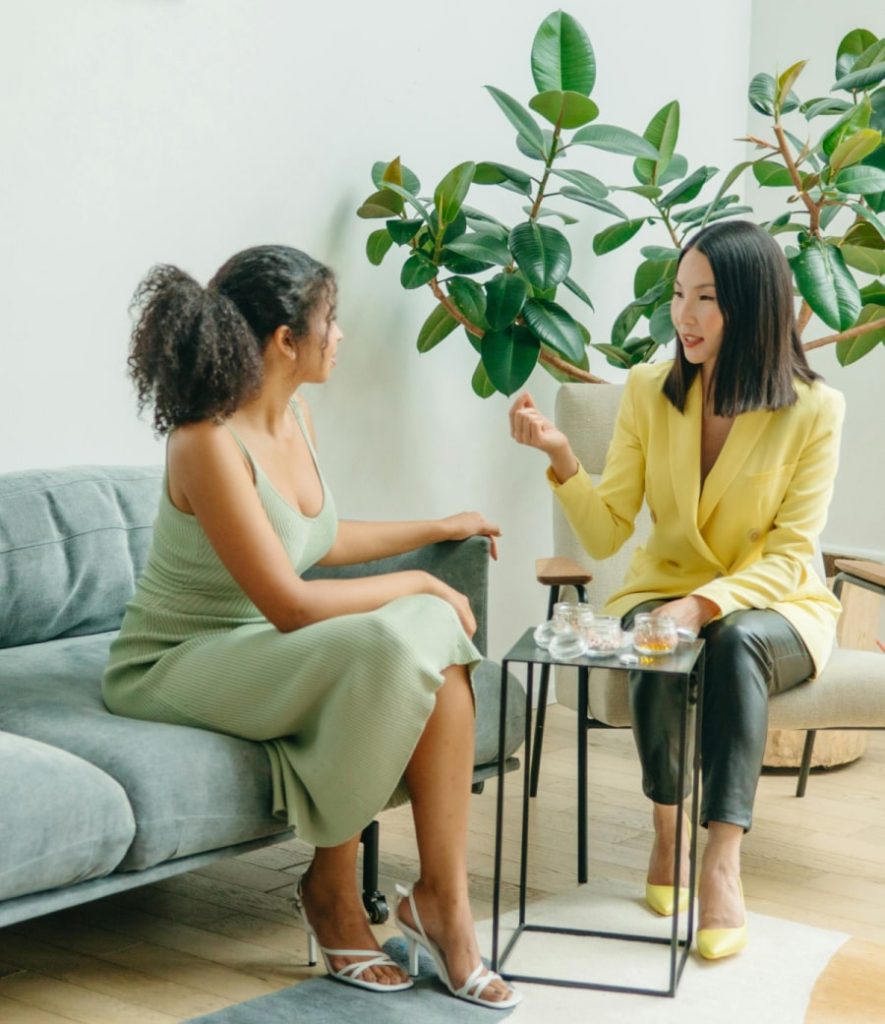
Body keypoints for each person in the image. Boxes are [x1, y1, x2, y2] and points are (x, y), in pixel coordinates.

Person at [103, 245, 519, 1008]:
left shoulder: (295, 419)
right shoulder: (204, 442)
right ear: (285, 341)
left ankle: (442, 905)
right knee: (403, 632)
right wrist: (423, 579)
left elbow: (316, 540)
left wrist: (433, 526)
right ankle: (332, 889)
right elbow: (288, 603)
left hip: (255, 646)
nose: (341, 336)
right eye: (331, 320)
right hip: (174, 661)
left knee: (426, 649)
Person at [509, 219, 845, 960]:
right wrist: (563, 457)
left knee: (730, 641)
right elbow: (605, 534)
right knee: (657, 639)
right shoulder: (645, 391)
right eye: (678, 294)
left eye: (706, 299)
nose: (683, 317)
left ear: (753, 308)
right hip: (661, 592)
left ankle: (720, 858)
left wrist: (704, 604)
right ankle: (667, 828)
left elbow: (792, 552)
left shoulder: (814, 410)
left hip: (776, 605)